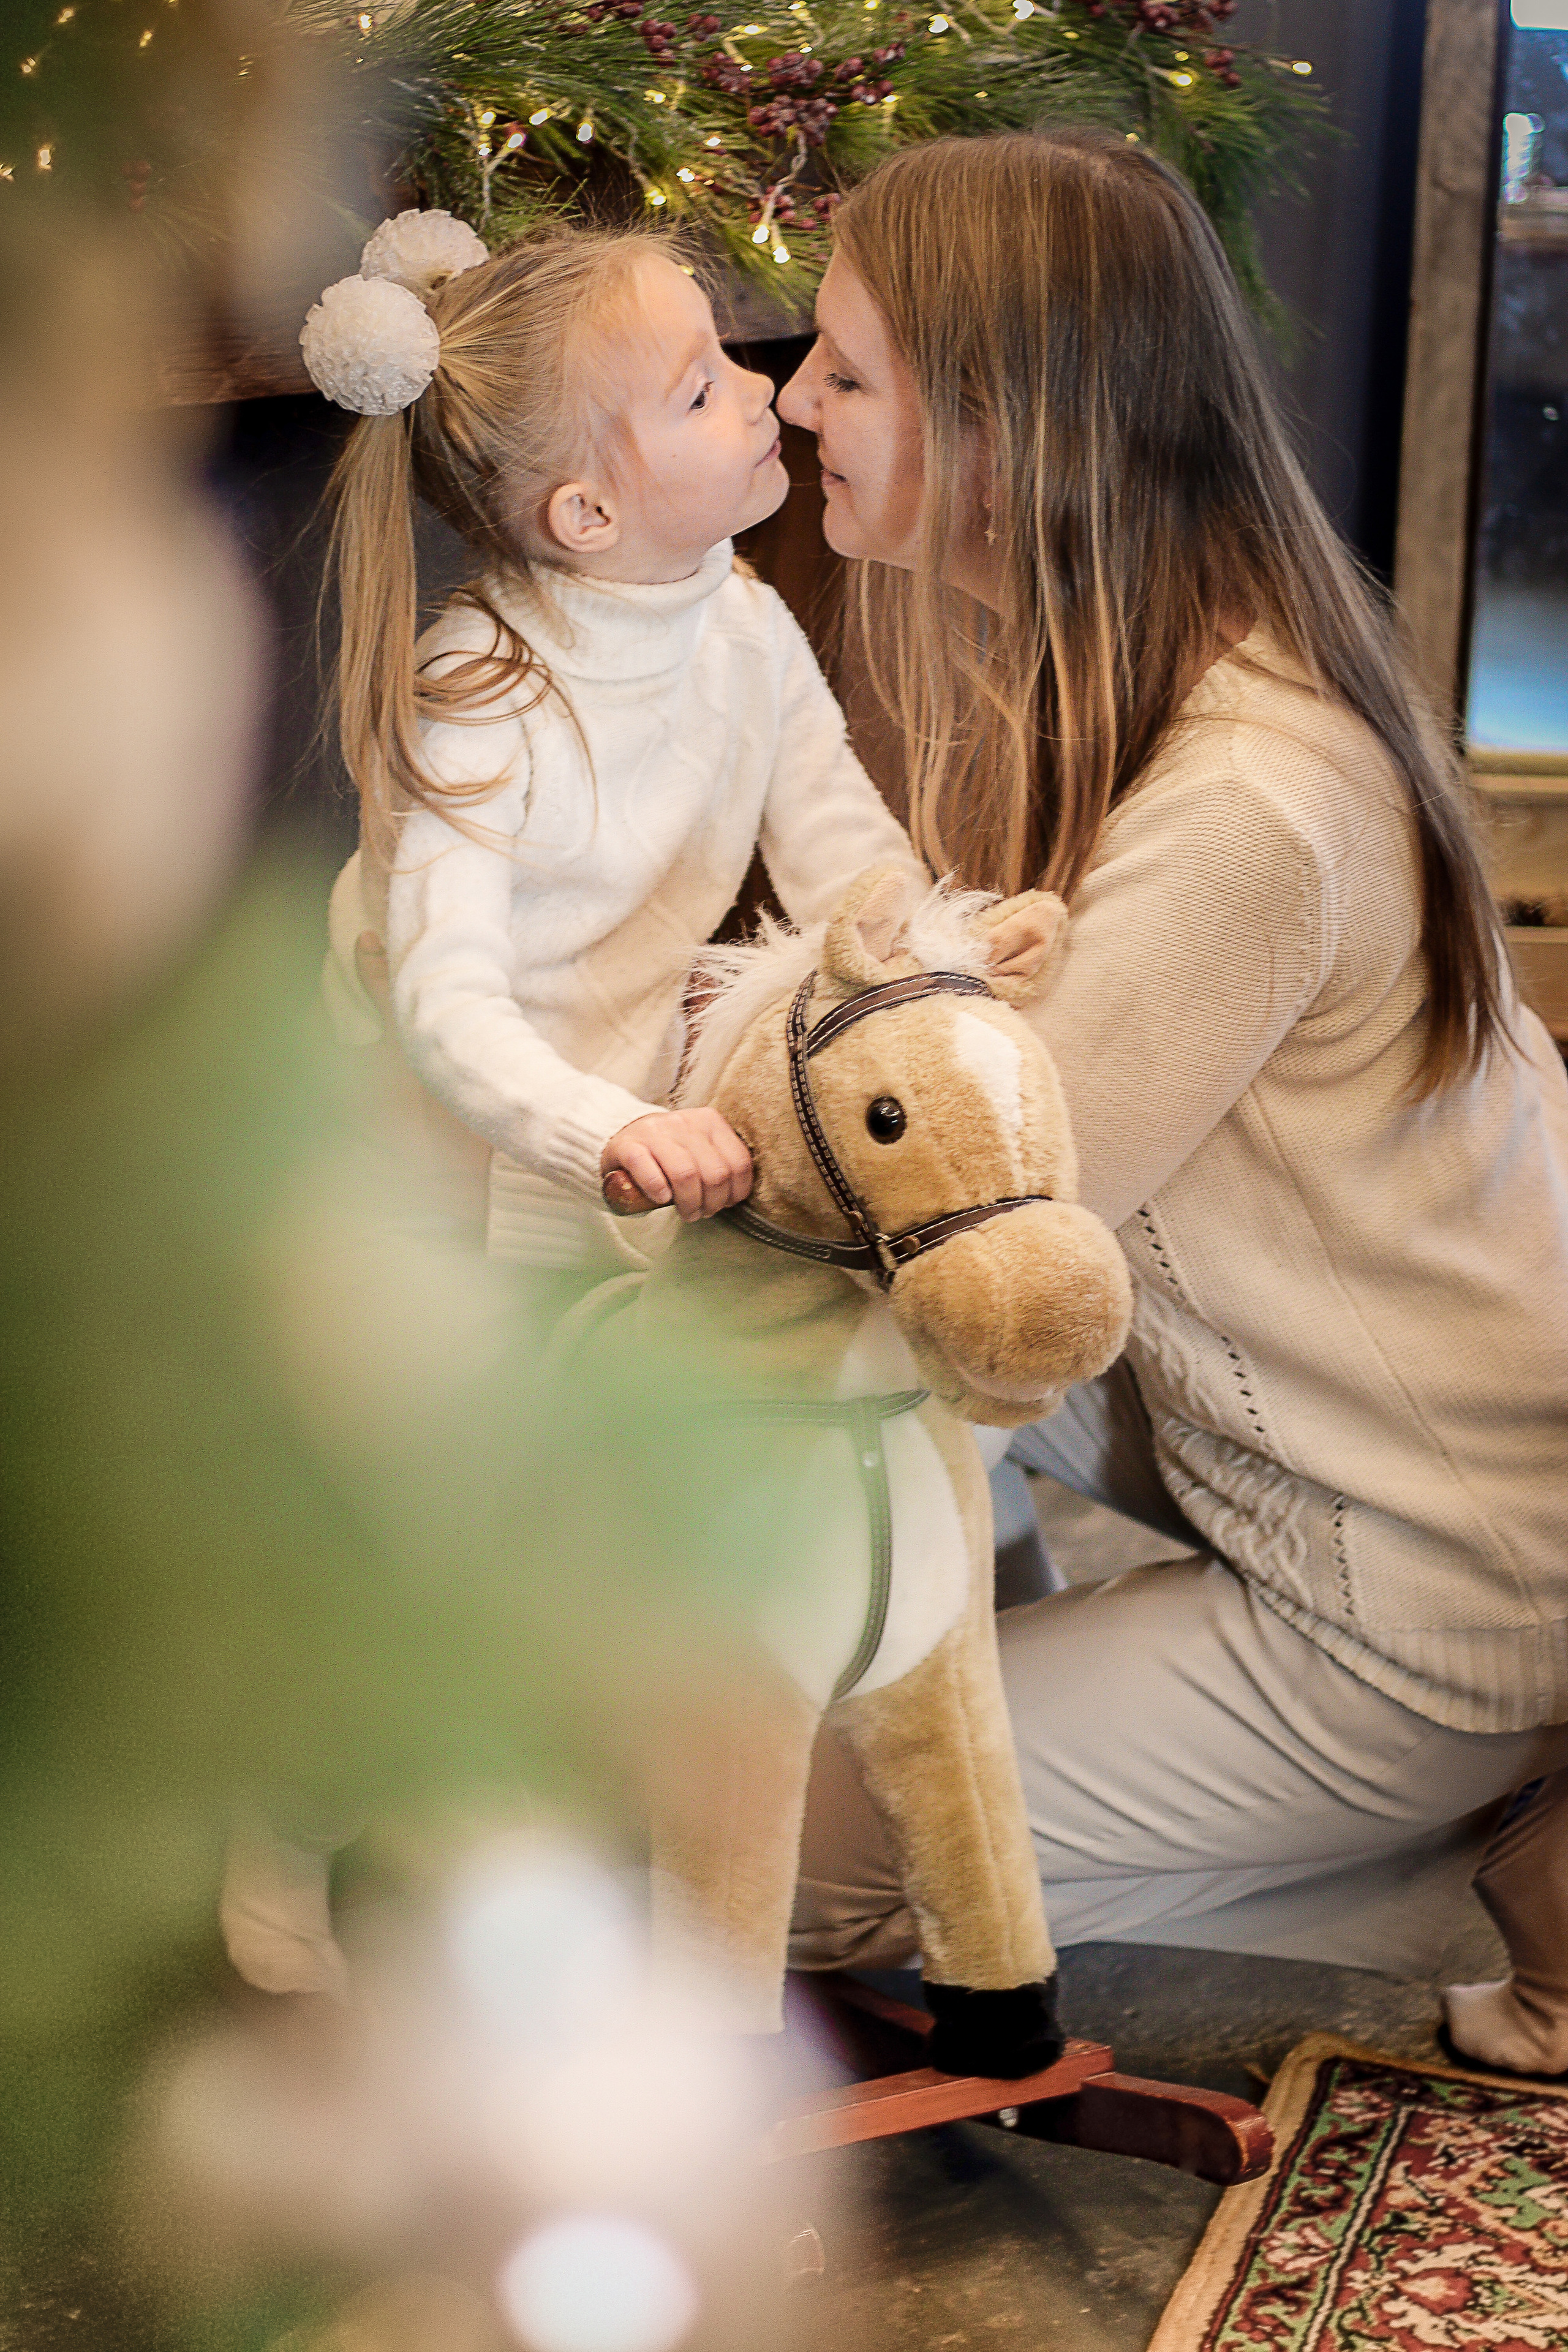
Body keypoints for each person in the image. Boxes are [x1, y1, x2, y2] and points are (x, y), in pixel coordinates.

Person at [777, 130, 1568, 2078]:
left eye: (844, 372)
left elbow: (964, 1240)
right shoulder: (1165, 677)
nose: (792, 403)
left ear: (1008, 431)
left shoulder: (1238, 813)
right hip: (1357, 1493)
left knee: (724, 1844)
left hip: (1413, 1609)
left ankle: (1415, 1859)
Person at [220, 212, 917, 1999]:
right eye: (701, 388)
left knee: (600, 1543)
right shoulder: (483, 694)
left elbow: (845, 851)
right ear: (588, 514)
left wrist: (942, 967)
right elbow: (446, 1005)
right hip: (431, 1187)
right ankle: (283, 1848)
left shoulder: (745, 625)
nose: (764, 392)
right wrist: (603, 1130)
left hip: (614, 1169)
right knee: (425, 1563)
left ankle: (560, 1874)